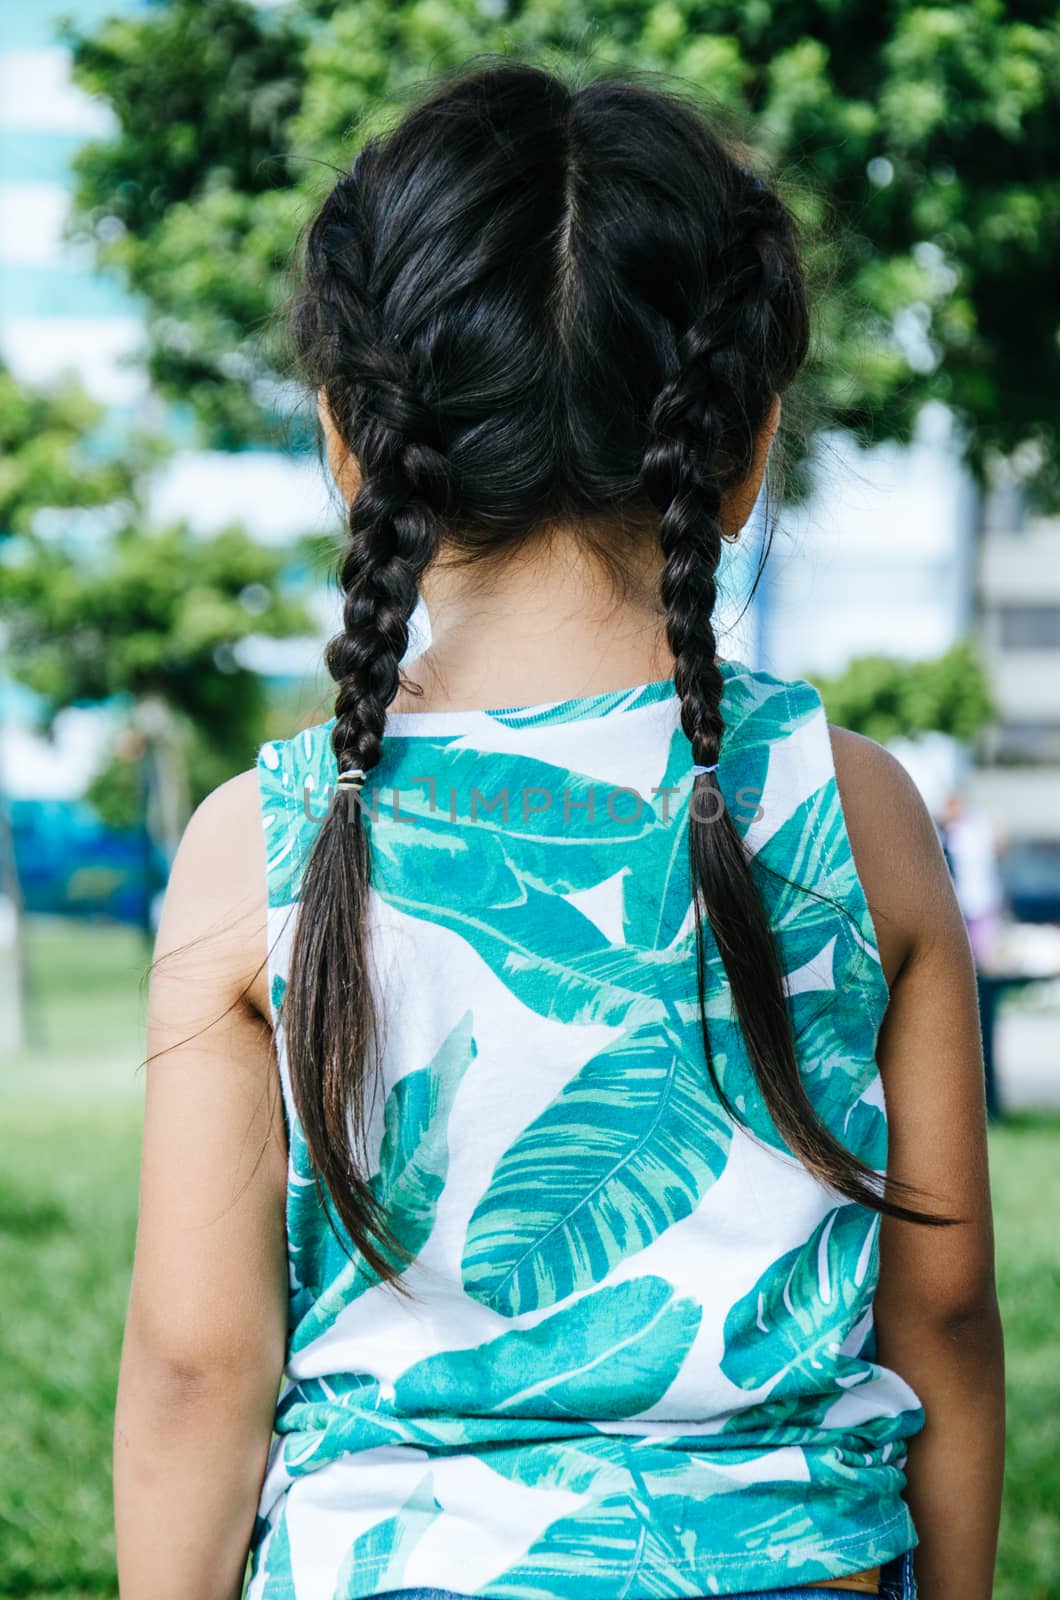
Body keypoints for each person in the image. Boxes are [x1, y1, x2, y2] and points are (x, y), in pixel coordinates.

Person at [113, 62, 1004, 1600]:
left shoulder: (258, 845)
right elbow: (942, 1322)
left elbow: (199, 1372)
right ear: (744, 449)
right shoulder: (860, 815)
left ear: (350, 444)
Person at [940, 791, 1005, 972]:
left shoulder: (967, 830)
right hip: (965, 902)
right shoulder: (956, 831)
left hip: (978, 900)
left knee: (981, 956)